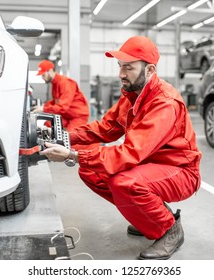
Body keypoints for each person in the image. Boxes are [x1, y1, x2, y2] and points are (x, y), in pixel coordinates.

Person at [40, 36, 202, 260]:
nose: (121, 74)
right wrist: (64, 137)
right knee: (90, 171)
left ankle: (169, 230)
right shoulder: (131, 96)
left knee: (124, 182)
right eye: (120, 66)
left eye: (129, 67)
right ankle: (148, 219)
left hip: (179, 170)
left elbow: (129, 153)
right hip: (151, 165)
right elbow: (103, 129)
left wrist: (72, 155)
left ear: (150, 69)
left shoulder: (164, 103)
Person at [32, 60, 90, 132]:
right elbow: (55, 102)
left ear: (50, 71)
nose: (42, 78)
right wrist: (43, 107)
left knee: (70, 137)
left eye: (43, 75)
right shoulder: (54, 84)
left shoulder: (65, 83)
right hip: (66, 114)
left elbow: (62, 107)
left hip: (77, 116)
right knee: (48, 125)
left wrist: (44, 109)